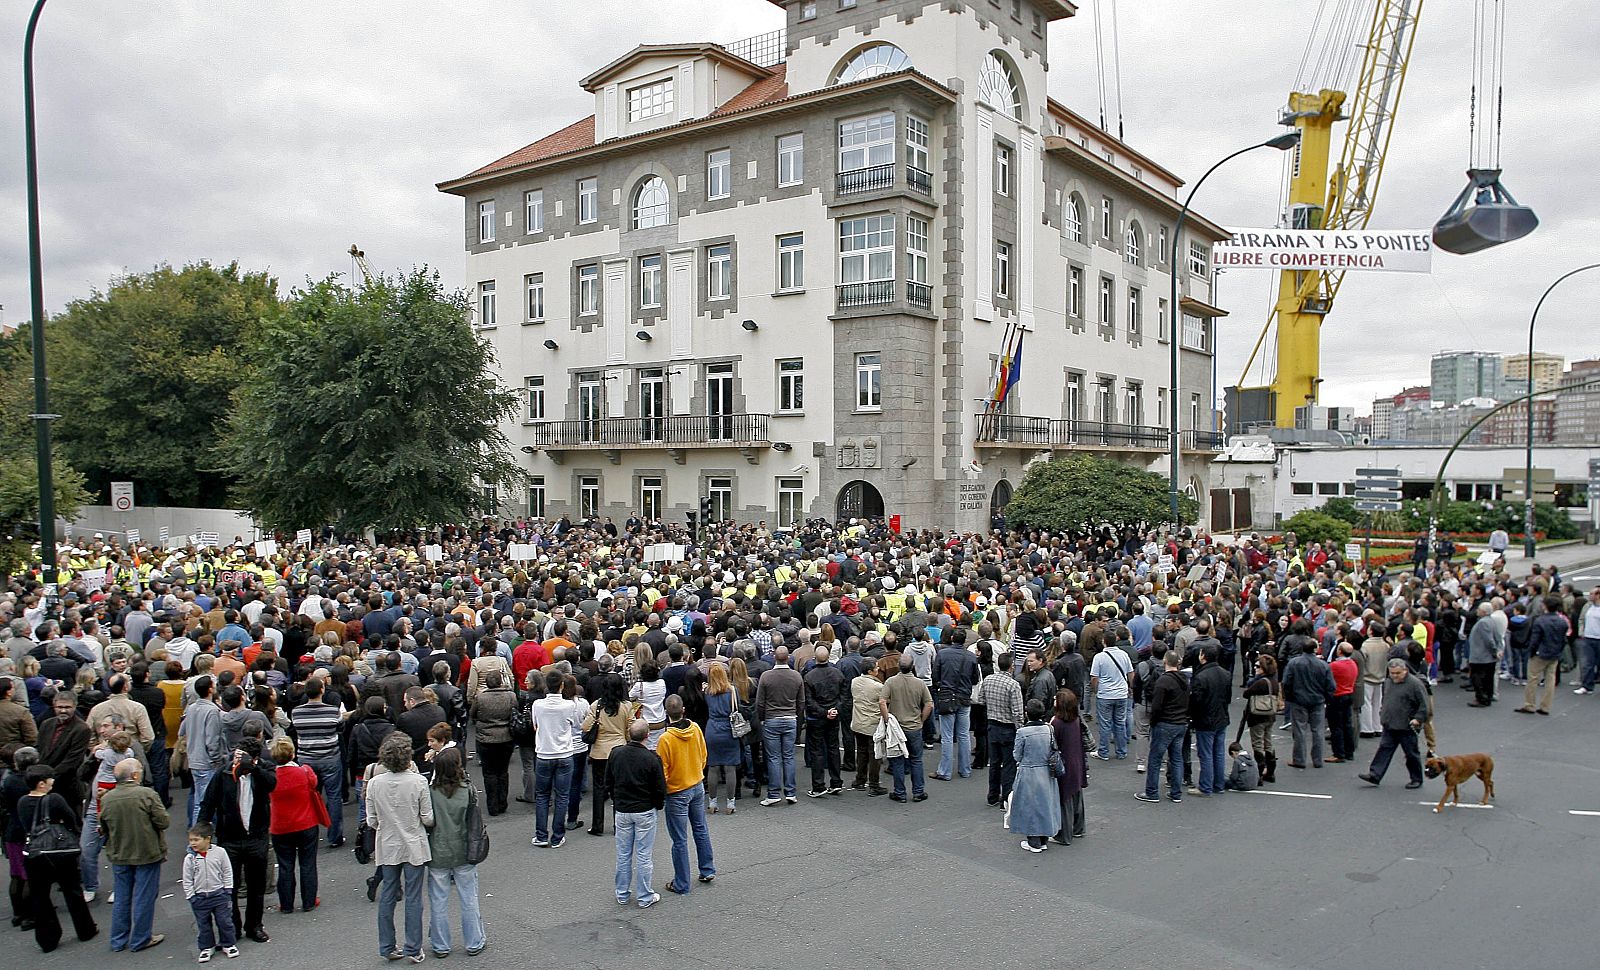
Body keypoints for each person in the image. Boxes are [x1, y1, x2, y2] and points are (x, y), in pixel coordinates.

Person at [196, 736, 275, 944]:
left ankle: (254, 926)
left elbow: (271, 785)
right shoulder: (223, 774)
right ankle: (233, 927)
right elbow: (208, 803)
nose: (238, 762)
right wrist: (201, 831)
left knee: (256, 886)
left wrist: (254, 769)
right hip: (229, 838)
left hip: (256, 836)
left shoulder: (263, 771)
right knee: (229, 886)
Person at [366, 734, 433, 963]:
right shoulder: (418, 782)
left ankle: (387, 946)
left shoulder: (375, 784)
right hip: (414, 844)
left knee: (387, 895)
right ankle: (414, 948)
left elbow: (372, 821)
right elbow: (427, 818)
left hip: (387, 845)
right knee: (414, 897)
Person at [17, 765, 98, 953]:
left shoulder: (22, 802)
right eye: (50, 778)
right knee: (72, 891)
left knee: (40, 896)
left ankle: (48, 939)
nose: (53, 781)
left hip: (35, 854)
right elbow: (72, 820)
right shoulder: (54, 799)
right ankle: (85, 929)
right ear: (41, 783)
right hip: (59, 853)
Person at [98, 757, 169, 952]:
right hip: (146, 852)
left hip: (119, 853)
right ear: (135, 775)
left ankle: (118, 940)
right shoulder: (146, 794)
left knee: (122, 897)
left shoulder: (107, 798)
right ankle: (141, 938)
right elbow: (163, 821)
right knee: (144, 896)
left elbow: (103, 827)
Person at [424, 748, 486, 958]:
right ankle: (474, 941)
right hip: (464, 849)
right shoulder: (468, 789)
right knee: (469, 896)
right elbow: (474, 817)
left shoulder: (430, 791)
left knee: (438, 899)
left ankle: (441, 945)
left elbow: (427, 821)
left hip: (438, 850)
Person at [656, 694, 714, 895]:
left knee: (679, 838)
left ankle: (681, 882)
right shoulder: (696, 728)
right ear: (683, 710)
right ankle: (707, 869)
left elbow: (663, 771)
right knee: (700, 829)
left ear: (666, 713)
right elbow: (704, 754)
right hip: (696, 784)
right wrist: (696, 771)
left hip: (677, 791)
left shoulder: (665, 739)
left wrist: (664, 791)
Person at [265, 737, 328, 914]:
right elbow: (315, 784)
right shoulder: (304, 772)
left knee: (285, 865)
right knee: (308, 863)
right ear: (292, 754)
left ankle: (286, 904)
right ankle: (309, 901)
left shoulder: (271, 777)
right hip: (305, 822)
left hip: (280, 826)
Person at [607, 720, 665, 908]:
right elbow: (659, 788)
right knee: (644, 855)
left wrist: (616, 799)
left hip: (622, 809)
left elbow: (608, 780)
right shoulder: (651, 758)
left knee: (623, 854)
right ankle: (644, 896)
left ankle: (622, 893)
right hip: (644, 810)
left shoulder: (616, 753)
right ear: (647, 735)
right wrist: (657, 805)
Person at [286, 676, 345, 847]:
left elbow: (294, 730)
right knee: (334, 796)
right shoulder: (333, 711)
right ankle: (334, 836)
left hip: (306, 759)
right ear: (322, 690)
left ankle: (307, 835)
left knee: (307, 797)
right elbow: (340, 728)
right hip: (330, 757)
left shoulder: (296, 712)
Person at [1359, 659, 1430, 790]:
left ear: (1405, 670)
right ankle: (1375, 774)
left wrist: (1418, 719)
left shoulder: (1415, 684)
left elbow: (1424, 706)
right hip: (1390, 724)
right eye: (1392, 673)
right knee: (1384, 749)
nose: (1395, 676)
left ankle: (1416, 779)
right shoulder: (1388, 682)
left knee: (1411, 754)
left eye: (1398, 673)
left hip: (1407, 726)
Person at [530, 670, 581, 848]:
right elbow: (574, 725)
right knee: (562, 796)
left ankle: (541, 835)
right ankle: (558, 835)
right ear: (561, 685)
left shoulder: (537, 704)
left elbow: (535, 726)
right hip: (565, 754)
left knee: (542, 796)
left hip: (544, 753)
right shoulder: (569, 706)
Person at [579, 673, 632, 833]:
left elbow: (586, 727)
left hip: (600, 752)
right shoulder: (626, 706)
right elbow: (630, 730)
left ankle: (597, 825)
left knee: (599, 788)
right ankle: (619, 825)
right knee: (618, 789)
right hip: (619, 751)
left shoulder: (596, 706)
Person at [1009, 699, 1062, 853]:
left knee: (1029, 807)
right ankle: (1044, 838)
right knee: (1045, 805)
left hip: (1029, 771)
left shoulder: (1022, 732)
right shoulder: (1049, 729)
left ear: (1027, 713)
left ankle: (1033, 841)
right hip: (1046, 771)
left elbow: (1017, 755)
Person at [181, 823, 239, 963]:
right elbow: (187, 879)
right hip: (200, 898)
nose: (193, 843)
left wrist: (228, 889)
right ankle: (207, 947)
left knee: (225, 921)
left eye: (196, 839)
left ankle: (228, 944)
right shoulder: (189, 858)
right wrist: (191, 896)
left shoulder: (220, 852)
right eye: (191, 840)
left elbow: (227, 871)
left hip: (219, 895)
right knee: (203, 925)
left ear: (208, 839)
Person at [1137, 650, 1189, 804]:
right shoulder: (1184, 679)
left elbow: (1157, 706)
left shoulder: (1163, 681)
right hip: (1181, 723)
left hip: (1165, 723)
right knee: (1176, 758)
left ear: (1165, 661)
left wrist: (1154, 722)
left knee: (1155, 758)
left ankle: (1152, 792)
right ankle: (1176, 793)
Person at [879, 655, 933, 804]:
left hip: (897, 728)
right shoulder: (919, 683)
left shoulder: (891, 682)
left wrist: (887, 719)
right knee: (916, 760)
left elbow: (882, 701)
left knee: (897, 761)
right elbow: (929, 704)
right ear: (912, 666)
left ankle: (900, 792)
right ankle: (918, 791)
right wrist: (921, 720)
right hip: (914, 727)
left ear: (898, 665)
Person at [754, 646, 804, 806]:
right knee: (788, 757)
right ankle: (790, 792)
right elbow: (801, 701)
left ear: (775, 657)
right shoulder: (796, 676)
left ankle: (774, 793)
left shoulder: (766, 676)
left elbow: (760, 702)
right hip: (790, 719)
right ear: (788, 658)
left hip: (771, 719)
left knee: (773, 757)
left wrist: (762, 719)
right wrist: (797, 716)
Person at [1280, 632, 1334, 770]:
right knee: (1318, 731)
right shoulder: (1323, 665)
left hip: (1299, 700)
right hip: (1317, 701)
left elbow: (1286, 682)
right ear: (1315, 649)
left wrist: (1289, 697)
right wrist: (1327, 698)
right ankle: (1318, 760)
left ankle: (1299, 759)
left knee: (1299, 730)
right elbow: (1330, 685)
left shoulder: (1294, 663)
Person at [977, 650, 1024, 807]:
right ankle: (1006, 797)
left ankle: (992, 795)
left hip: (992, 725)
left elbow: (981, 700)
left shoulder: (988, 680)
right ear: (1011, 667)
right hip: (1008, 728)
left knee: (995, 763)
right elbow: (1017, 712)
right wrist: (1020, 730)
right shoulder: (1013, 685)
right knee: (1009, 764)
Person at [930, 635, 979, 781]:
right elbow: (975, 679)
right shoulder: (970, 657)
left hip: (947, 696)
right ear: (964, 640)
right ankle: (965, 769)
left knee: (947, 736)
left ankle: (945, 771)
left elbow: (935, 676)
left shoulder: (943, 654)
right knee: (964, 735)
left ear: (952, 639)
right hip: (964, 697)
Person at [180, 677, 228, 827]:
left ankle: (198, 834)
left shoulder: (192, 708)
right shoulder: (212, 711)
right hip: (207, 762)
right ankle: (196, 840)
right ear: (210, 689)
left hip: (194, 758)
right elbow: (212, 739)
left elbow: (182, 730)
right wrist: (217, 758)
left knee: (199, 800)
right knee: (204, 803)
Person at [468, 671, 516, 816]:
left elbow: (472, 714)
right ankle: (502, 802)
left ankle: (493, 806)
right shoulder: (510, 696)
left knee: (489, 773)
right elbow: (515, 711)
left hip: (485, 738)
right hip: (506, 737)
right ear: (501, 681)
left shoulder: (480, 697)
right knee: (503, 771)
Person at [1187, 643, 1231, 795]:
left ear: (1203, 657)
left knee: (1205, 753)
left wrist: (1192, 717)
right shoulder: (1225, 673)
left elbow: (1196, 701)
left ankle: (1205, 786)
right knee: (1218, 752)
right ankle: (1218, 785)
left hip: (1205, 720)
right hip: (1222, 717)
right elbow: (1228, 697)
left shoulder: (1200, 677)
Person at [802, 647, 847, 795]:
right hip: (833, 716)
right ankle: (836, 782)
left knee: (817, 751)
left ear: (815, 658)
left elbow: (809, 701)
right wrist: (835, 710)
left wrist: (823, 712)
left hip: (817, 718)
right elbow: (844, 696)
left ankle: (818, 785)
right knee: (833, 748)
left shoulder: (809, 677)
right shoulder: (838, 674)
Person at [1517, 595, 1570, 716]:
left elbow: (1535, 640)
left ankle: (1529, 704)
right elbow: (1564, 640)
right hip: (1554, 653)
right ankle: (1545, 706)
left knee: (1533, 679)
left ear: (1545, 606)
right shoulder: (1562, 621)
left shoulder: (1540, 620)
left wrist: (1531, 652)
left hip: (1540, 653)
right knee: (1550, 679)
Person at [702, 664, 744, 814]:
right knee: (730, 767)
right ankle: (730, 803)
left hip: (712, 729)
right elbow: (737, 708)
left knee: (713, 767)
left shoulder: (707, 692)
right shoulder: (732, 691)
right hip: (729, 729)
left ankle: (712, 802)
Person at [1049, 689, 1087, 846]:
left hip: (1064, 763)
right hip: (1077, 760)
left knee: (1064, 798)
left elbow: (1051, 744)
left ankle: (1064, 835)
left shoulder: (1056, 723)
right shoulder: (1076, 720)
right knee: (1077, 794)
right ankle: (1078, 828)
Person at [1088, 633, 1133, 761]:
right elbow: (1130, 673)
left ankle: (1103, 751)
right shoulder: (1124, 655)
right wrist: (1130, 687)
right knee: (1120, 723)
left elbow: (1094, 677)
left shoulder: (1099, 657)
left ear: (1104, 642)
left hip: (1105, 694)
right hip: (1121, 693)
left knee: (1105, 724)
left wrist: (1095, 690)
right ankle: (1121, 751)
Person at [849, 657, 889, 797]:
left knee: (861, 752)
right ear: (870, 671)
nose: (878, 669)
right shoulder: (878, 687)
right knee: (875, 755)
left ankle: (860, 780)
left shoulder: (854, 682)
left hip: (858, 722)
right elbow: (885, 701)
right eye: (876, 668)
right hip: (872, 724)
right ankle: (874, 784)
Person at [1241, 656, 1280, 784]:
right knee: (1268, 743)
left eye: (1258, 666)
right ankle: (1270, 772)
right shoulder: (1274, 682)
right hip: (1270, 715)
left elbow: (1246, 693)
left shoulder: (1260, 682)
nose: (1255, 668)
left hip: (1258, 716)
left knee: (1257, 744)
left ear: (1264, 669)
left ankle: (1259, 773)